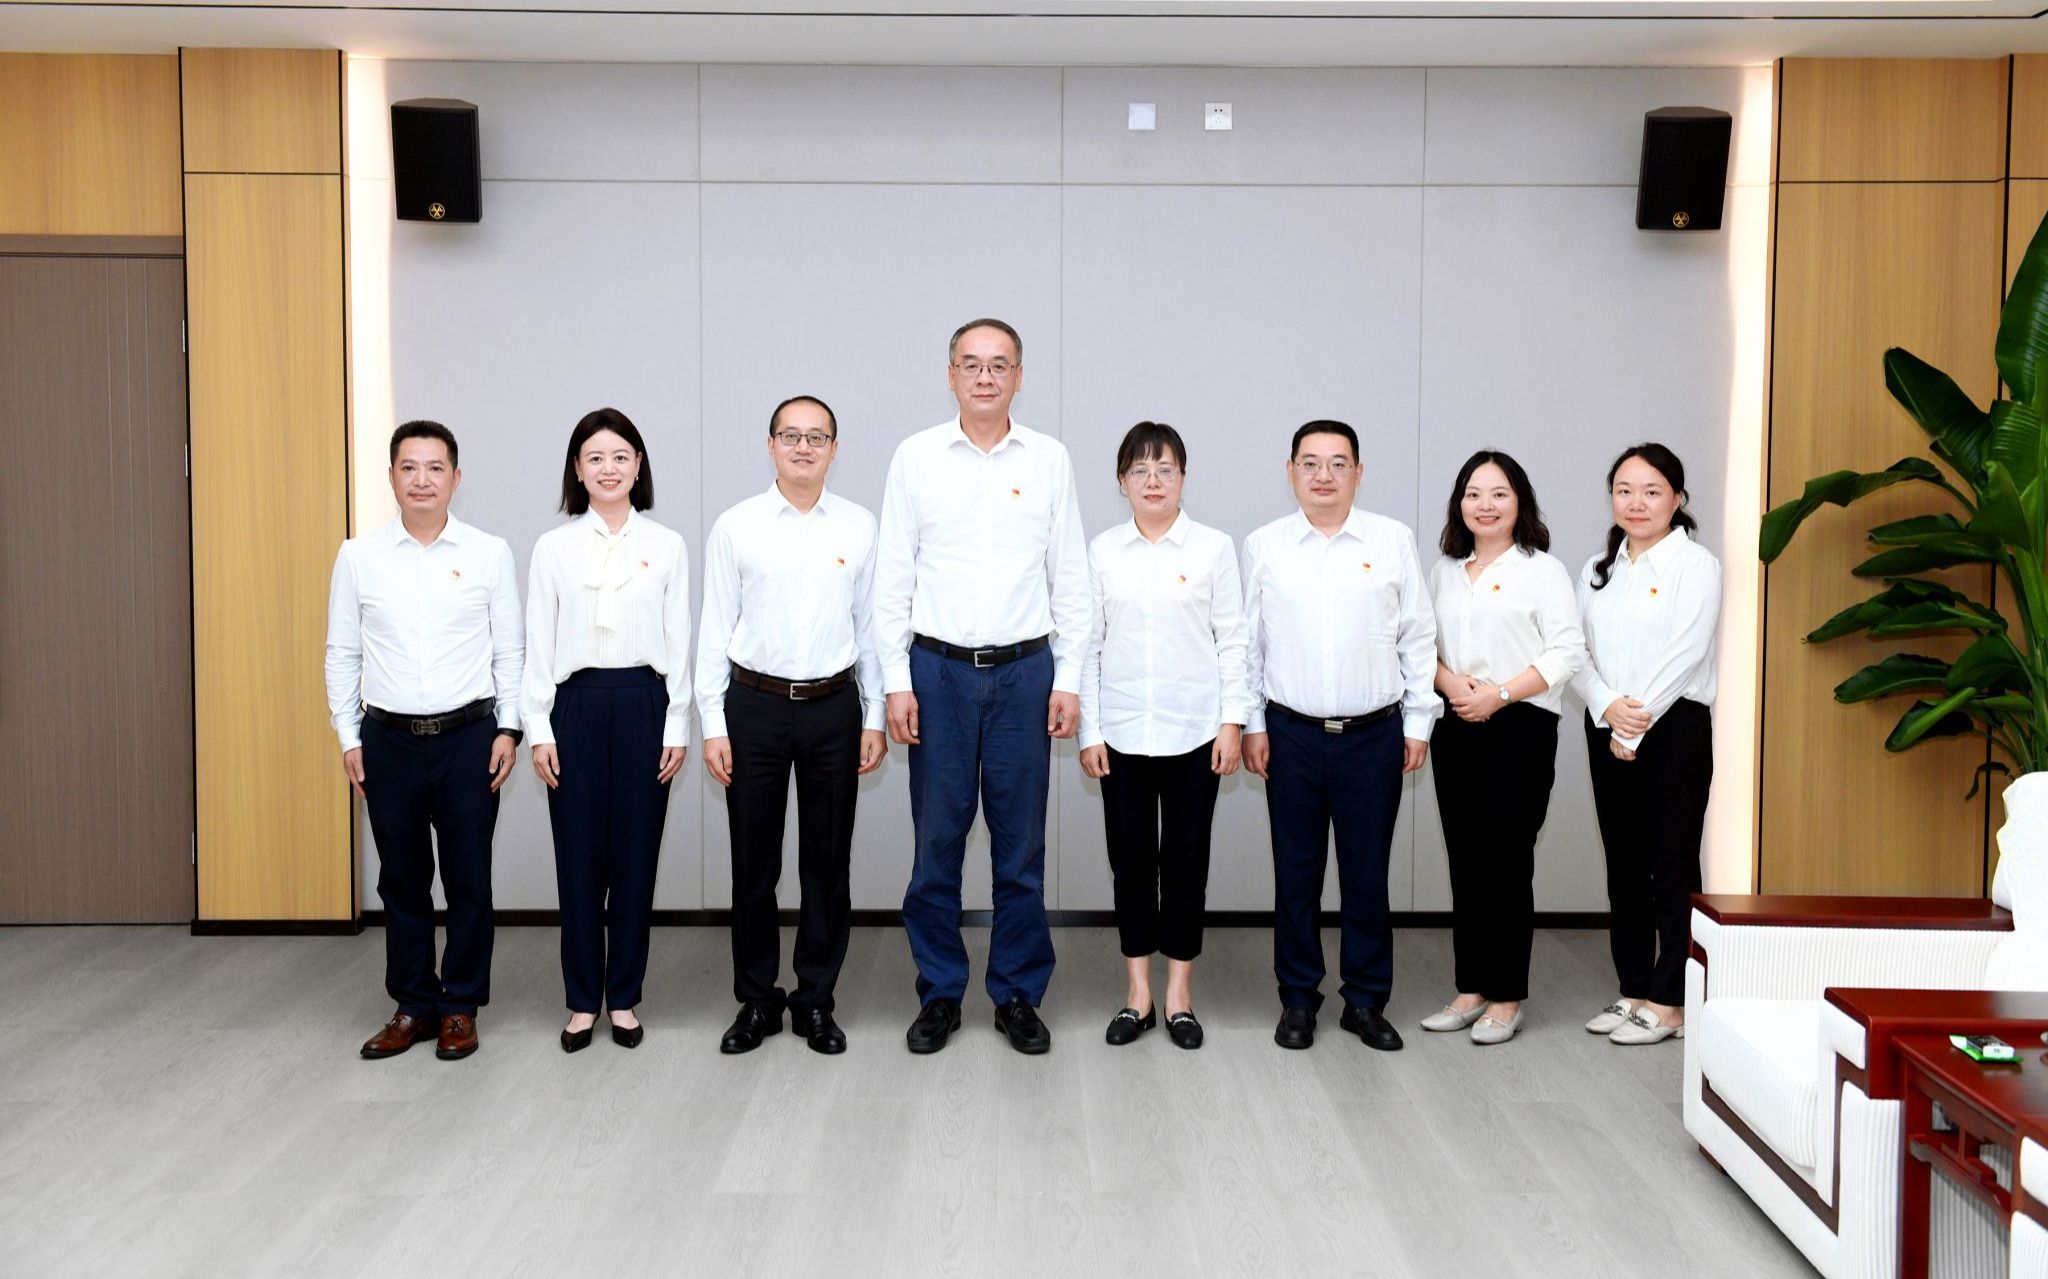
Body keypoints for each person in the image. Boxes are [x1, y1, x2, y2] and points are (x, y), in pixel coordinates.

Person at [874, 317, 1091, 1055]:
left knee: (1020, 848)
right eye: (971, 364)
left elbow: (1070, 577)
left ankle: (1018, 993)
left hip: (1025, 674)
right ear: (951, 375)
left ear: (1019, 377)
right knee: (936, 843)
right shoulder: (916, 458)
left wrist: (1068, 678)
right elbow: (893, 577)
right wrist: (896, 680)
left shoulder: (1050, 459)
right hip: (936, 674)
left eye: (1000, 364)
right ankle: (939, 991)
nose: (985, 376)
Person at [326, 420, 523, 1063]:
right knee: (402, 882)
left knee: (468, 880)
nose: (421, 480)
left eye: (435, 468)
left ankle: (460, 1005)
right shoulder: (359, 557)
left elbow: (510, 651)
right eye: (408, 467)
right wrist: (348, 735)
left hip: (470, 739)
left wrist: (509, 728)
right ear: (390, 477)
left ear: (456, 478)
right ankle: (412, 1004)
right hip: (388, 742)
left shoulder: (489, 553)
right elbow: (342, 652)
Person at [697, 396, 887, 1056]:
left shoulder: (859, 526)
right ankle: (757, 1000)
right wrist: (713, 722)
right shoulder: (737, 526)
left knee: (826, 863)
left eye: (816, 437)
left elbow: (871, 628)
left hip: (834, 707)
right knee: (754, 864)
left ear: (834, 448)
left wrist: (875, 713)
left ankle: (814, 1001)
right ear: (770, 444)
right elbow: (714, 628)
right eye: (790, 435)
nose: (803, 447)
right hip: (754, 707)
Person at [1241, 420, 1438, 1053]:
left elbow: (1417, 636)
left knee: (1367, 874)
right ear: (1290, 471)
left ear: (1359, 472)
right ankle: (1298, 998)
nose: (1323, 475)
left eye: (1337, 463)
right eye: (1310, 463)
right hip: (1290, 734)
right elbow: (1249, 645)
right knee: (1296, 875)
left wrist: (1418, 722)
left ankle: (1365, 1000)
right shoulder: (1265, 545)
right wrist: (1252, 724)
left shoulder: (1392, 540)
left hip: (1373, 735)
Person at [523, 407, 692, 1053]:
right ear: (577, 469)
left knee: (636, 858)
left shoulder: (667, 545)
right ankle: (579, 1001)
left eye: (621, 456)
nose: (609, 468)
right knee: (577, 860)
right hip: (576, 707)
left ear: (638, 465)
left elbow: (679, 639)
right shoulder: (554, 548)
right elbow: (538, 642)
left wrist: (677, 721)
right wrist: (539, 727)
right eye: (595, 457)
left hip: (646, 704)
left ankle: (622, 997)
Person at [1078, 422, 1247, 1051]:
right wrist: (1090, 730)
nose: (1153, 481)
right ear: (1121, 480)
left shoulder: (1213, 548)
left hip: (1195, 733)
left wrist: (1232, 722)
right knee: (1130, 865)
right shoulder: (1102, 551)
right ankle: (1137, 995)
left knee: (1184, 865)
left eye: (1165, 469)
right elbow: (1087, 647)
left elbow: (1233, 642)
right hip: (1121, 734)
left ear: (1183, 477)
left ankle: (1179, 996)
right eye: (1140, 470)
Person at [1422, 450, 1585, 1046]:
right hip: (1456, 720)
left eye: (1498, 494)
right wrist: (1450, 684)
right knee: (1464, 856)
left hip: (1520, 726)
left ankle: (1507, 995)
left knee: (1507, 859)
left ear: (1520, 502)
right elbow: (1420, 645)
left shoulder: (1543, 570)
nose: (1485, 505)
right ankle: (1470, 987)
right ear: (1459, 503)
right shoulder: (1444, 569)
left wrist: (1500, 694)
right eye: (1473, 493)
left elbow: (1567, 652)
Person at [1570, 443, 1720, 1047]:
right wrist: (1607, 706)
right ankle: (1633, 989)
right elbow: (1574, 650)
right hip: (1605, 722)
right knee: (1623, 864)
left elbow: (1686, 653)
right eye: (1625, 490)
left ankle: (1671, 999)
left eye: (1652, 491)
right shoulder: (1596, 569)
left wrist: (1632, 724)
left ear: (1677, 499)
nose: (1637, 502)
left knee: (1672, 865)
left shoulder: (1697, 565)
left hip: (1674, 728)